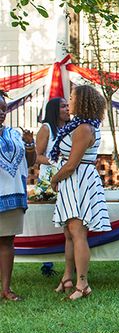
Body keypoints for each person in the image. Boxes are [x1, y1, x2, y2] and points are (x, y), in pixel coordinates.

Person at [49, 84, 110, 300]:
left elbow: (71, 164)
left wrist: (54, 179)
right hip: (71, 182)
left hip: (78, 181)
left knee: (78, 233)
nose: (69, 101)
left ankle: (82, 284)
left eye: (73, 97)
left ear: (82, 101)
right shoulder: (78, 126)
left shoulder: (85, 128)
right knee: (69, 233)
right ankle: (67, 277)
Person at [0, 90, 36, 301]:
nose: (1, 113)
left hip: (12, 195)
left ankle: (6, 289)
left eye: (3, 109)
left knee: (6, 243)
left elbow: (30, 163)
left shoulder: (13, 134)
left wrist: (30, 144)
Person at [36, 96, 71, 184]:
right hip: (49, 177)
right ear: (54, 110)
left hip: (68, 175)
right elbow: (37, 157)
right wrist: (56, 161)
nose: (68, 109)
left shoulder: (71, 128)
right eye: (63, 106)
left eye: (68, 106)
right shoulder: (46, 128)